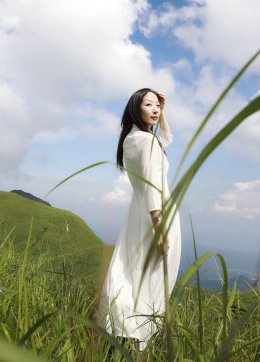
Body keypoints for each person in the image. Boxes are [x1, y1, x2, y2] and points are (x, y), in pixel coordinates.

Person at [97, 88, 182, 352]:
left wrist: (163, 112)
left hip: (138, 213)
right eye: (149, 105)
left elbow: (165, 138)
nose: (156, 109)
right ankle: (138, 343)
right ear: (136, 108)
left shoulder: (133, 139)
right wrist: (159, 227)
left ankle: (123, 334)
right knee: (152, 280)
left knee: (132, 275)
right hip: (156, 214)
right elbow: (151, 185)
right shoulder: (146, 142)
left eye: (158, 105)